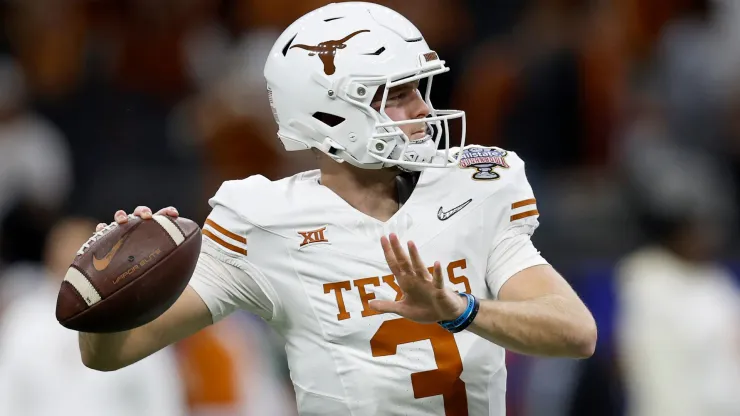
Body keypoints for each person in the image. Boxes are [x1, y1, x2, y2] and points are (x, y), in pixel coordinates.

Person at [76, 3, 596, 415]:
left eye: (420, 89)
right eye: (397, 95)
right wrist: (102, 294)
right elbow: (112, 354)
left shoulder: (472, 187)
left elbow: (576, 333)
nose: (423, 110)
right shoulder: (262, 222)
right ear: (329, 112)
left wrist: (461, 311)